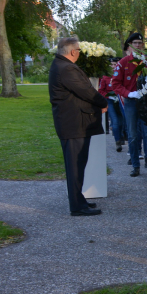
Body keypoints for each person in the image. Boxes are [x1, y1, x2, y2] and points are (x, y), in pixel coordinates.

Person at [48, 37, 108, 216]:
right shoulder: (67, 68)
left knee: (78, 164)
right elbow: (87, 91)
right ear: (73, 52)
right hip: (73, 124)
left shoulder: (60, 65)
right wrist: (103, 102)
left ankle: (79, 200)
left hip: (73, 122)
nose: (80, 53)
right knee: (75, 165)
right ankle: (77, 206)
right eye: (79, 50)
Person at [111, 32, 147, 179]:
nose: (138, 46)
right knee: (133, 135)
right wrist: (129, 94)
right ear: (129, 46)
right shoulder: (123, 63)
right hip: (131, 102)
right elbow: (115, 84)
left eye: (140, 43)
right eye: (135, 43)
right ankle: (135, 165)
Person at [98, 59, 125, 152]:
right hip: (110, 100)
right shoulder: (105, 77)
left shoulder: (122, 74)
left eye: (115, 64)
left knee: (122, 121)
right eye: (112, 65)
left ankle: (121, 135)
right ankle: (117, 141)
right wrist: (109, 96)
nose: (113, 67)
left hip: (120, 99)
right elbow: (101, 90)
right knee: (115, 121)